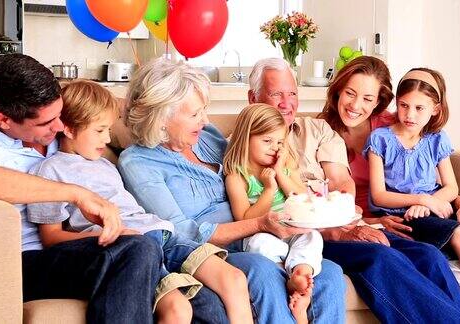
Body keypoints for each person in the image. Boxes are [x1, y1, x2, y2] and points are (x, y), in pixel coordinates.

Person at [117, 57, 346, 324]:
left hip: (267, 236)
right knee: (262, 271)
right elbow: (180, 231)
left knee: (329, 273)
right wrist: (259, 224)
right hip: (217, 252)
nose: (204, 120)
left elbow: (251, 171)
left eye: (205, 110)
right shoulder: (139, 162)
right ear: (161, 118)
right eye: (194, 114)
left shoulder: (208, 135)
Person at [248, 57, 460, 323]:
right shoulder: (247, 144)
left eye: (292, 94)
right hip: (307, 238)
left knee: (429, 256)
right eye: (276, 94)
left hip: (348, 221)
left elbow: (342, 184)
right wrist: (336, 227)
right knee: (381, 259)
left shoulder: (318, 129)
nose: (286, 102)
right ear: (254, 97)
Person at [0, 54, 161, 323]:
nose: (58, 127)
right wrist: (76, 193)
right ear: (2, 120)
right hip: (27, 261)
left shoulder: (56, 122)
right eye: (46, 123)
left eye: (58, 115)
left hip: (81, 245)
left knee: (147, 250)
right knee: (136, 250)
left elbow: (108, 121)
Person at [26, 80, 253, 324]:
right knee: (178, 309)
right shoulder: (50, 171)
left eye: (109, 130)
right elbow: (51, 237)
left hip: (162, 234)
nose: (107, 138)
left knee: (233, 280)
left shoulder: (105, 165)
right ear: (68, 129)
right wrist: (113, 236)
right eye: (99, 130)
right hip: (131, 246)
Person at [319, 55, 460, 324]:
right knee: (432, 256)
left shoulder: (391, 123)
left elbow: (425, 179)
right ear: (338, 90)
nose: (355, 105)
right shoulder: (318, 131)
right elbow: (321, 201)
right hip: (372, 220)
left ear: (379, 101)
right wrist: (374, 220)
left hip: (417, 213)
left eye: (367, 98)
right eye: (350, 93)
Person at [223, 103, 324, 324]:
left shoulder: (286, 167)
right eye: (266, 141)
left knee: (313, 237)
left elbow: (301, 199)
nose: (274, 148)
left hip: (291, 231)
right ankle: (290, 283)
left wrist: (280, 175)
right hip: (262, 235)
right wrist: (269, 190)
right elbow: (244, 218)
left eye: (279, 142)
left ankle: (301, 277)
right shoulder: (238, 176)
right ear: (246, 138)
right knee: (261, 244)